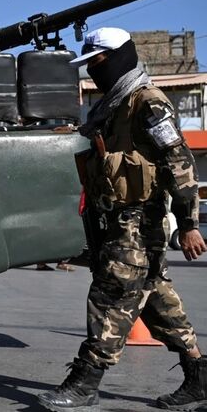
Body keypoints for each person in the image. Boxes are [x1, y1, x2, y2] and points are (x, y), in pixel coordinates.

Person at [38, 27, 207, 411]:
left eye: (96, 64)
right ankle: (199, 374)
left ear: (116, 58)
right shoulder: (111, 106)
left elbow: (179, 163)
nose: (92, 73)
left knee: (110, 295)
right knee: (155, 301)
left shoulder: (147, 103)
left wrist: (189, 223)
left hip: (138, 223)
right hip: (115, 221)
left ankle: (85, 381)